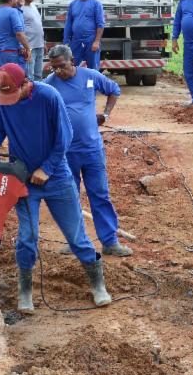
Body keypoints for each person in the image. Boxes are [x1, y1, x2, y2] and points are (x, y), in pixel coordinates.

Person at [0, 63, 112, 312]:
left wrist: (48, 168)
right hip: (22, 177)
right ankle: (25, 292)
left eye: (13, 94)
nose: (8, 101)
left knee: (76, 236)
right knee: (27, 237)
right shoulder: (0, 95)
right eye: (4, 97)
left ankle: (98, 284)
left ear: (25, 84)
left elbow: (64, 137)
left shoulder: (48, 96)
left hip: (57, 178)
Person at [44, 45, 133, 257]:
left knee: (100, 195)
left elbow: (114, 90)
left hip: (92, 150)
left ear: (72, 61)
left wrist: (106, 114)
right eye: (54, 68)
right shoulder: (49, 85)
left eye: (62, 66)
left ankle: (110, 242)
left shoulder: (90, 76)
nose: (59, 71)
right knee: (70, 198)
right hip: (65, 154)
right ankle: (76, 242)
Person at [63, 0, 105, 71]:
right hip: (76, 42)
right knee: (71, 68)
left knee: (93, 70)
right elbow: (68, 24)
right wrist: (66, 42)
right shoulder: (73, 4)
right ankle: (74, 85)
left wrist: (97, 42)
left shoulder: (96, 4)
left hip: (91, 41)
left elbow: (100, 24)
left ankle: (93, 86)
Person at [21, 0, 45, 80]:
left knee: (38, 75)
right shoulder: (20, 9)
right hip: (29, 47)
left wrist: (44, 41)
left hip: (39, 45)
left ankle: (38, 93)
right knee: (29, 75)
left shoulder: (33, 6)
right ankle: (30, 94)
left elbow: (38, 25)